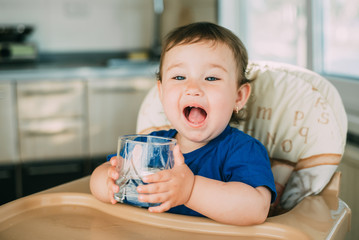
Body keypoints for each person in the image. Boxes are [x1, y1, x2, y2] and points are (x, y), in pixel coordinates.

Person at [90, 22, 276, 226]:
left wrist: (190, 190)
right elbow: (101, 174)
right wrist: (109, 181)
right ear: (161, 92)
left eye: (211, 78)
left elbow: (256, 209)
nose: (192, 88)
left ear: (238, 97)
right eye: (179, 77)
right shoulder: (150, 148)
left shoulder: (242, 151)